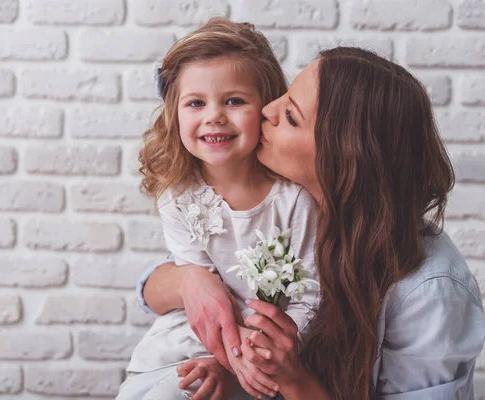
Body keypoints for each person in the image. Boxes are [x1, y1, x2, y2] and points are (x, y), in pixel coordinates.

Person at [138, 46, 485, 399]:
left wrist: (291, 378)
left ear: (343, 156)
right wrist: (190, 280)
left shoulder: (429, 292)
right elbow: (153, 288)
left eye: (290, 116)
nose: (266, 110)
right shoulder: (317, 218)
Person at [116, 18, 321, 400]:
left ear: (266, 106)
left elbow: (309, 296)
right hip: (198, 334)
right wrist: (226, 350)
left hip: (270, 352)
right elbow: (199, 286)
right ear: (174, 114)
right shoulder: (177, 195)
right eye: (196, 103)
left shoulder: (294, 199)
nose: (214, 115)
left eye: (234, 100)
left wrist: (251, 356)